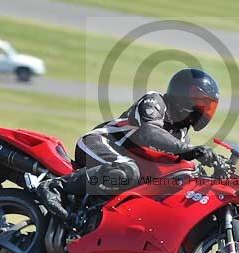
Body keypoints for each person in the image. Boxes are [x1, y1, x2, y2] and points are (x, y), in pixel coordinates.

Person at [35, 68, 221, 219]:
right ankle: (55, 186)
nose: (205, 110)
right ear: (182, 93)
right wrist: (190, 150)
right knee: (127, 171)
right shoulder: (155, 102)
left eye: (209, 106)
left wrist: (209, 174)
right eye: (202, 103)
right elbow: (150, 132)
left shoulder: (181, 136)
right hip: (100, 143)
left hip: (124, 163)